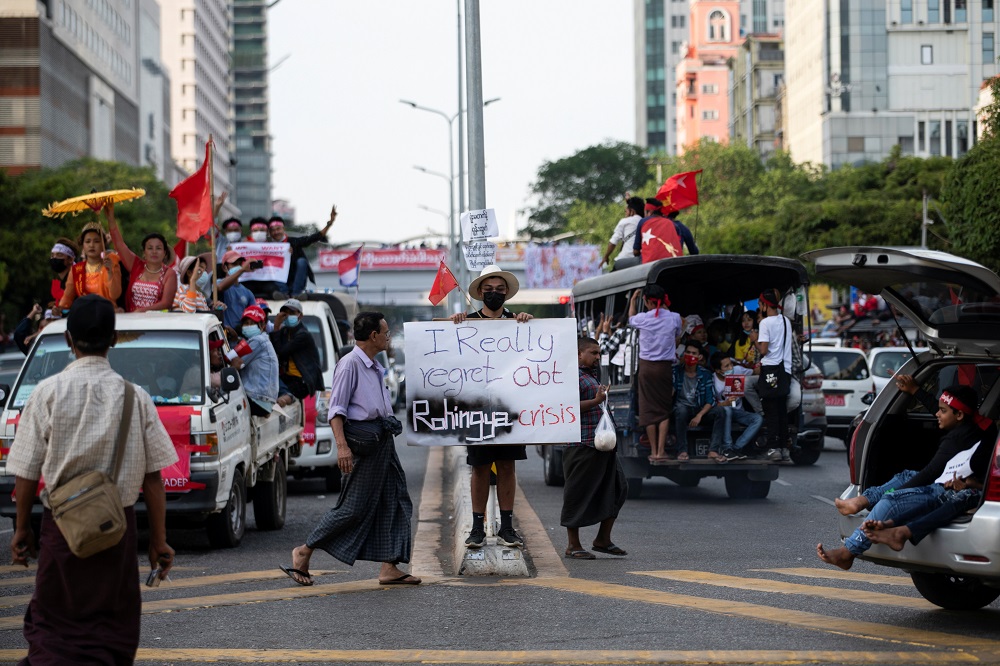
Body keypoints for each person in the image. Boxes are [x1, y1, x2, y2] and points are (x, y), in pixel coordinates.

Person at [7, 294, 177, 664]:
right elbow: (153, 480)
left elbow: (26, 472)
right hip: (118, 529)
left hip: (61, 529)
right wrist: (159, 542)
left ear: (69, 340)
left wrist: (22, 529)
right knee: (112, 627)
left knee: (54, 625)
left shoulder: (46, 393)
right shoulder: (137, 397)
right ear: (114, 340)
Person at [280, 311, 419, 587]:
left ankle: (390, 566)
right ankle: (303, 551)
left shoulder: (373, 363)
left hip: (382, 442)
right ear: (373, 336)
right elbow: (336, 411)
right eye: (386, 332)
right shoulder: (349, 365)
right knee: (353, 508)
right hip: (363, 445)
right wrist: (342, 448)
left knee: (397, 500)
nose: (389, 337)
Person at [817, 382, 991, 570]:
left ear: (959, 415)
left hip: (947, 487)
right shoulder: (968, 426)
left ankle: (848, 552)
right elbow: (942, 408)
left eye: (942, 411)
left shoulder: (956, 440)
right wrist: (916, 391)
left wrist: (897, 494)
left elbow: (929, 474)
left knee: (891, 499)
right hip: (948, 481)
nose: (937, 414)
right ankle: (863, 500)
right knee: (906, 475)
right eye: (939, 410)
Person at [450, 265, 533, 549]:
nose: (494, 294)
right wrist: (454, 325)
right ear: (480, 292)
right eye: (489, 290)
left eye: (499, 290)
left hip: (510, 409)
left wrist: (528, 322)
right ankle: (477, 528)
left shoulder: (519, 323)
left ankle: (507, 527)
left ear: (507, 293)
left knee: (507, 466)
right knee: (481, 467)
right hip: (478, 410)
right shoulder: (467, 322)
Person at [562, 337, 629, 559]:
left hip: (602, 444)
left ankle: (603, 539)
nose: (597, 357)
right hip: (581, 444)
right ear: (579, 354)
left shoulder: (591, 375)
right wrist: (596, 400)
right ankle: (573, 545)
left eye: (599, 354)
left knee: (618, 488)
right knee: (577, 492)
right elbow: (566, 406)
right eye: (593, 353)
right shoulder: (570, 376)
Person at [628, 284, 682, 463]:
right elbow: (677, 334)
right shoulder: (674, 318)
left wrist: (633, 301)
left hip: (646, 368)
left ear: (647, 301)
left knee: (648, 409)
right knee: (663, 410)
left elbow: (631, 319)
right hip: (665, 368)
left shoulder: (643, 318)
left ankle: (653, 451)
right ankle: (661, 452)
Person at [106, 203, 177, 313]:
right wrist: (110, 218)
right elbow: (120, 245)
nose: (154, 251)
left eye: (158, 248)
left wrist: (142, 311)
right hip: (133, 323)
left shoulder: (170, 274)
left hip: (157, 324)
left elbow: (166, 303)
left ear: (164, 253)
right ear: (144, 252)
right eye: (150, 248)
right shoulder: (136, 266)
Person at [268, 206, 337, 298]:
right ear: (270, 233)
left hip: (295, 281)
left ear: (283, 229)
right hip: (278, 286)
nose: (276, 232)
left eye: (278, 229)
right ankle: (283, 293)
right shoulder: (267, 247)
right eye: (273, 230)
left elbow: (313, 238)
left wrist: (329, 223)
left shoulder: (294, 242)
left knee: (302, 261)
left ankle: (296, 294)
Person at [756, 288, 793, 458]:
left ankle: (773, 448)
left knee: (770, 411)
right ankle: (784, 447)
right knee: (781, 410)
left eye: (760, 304)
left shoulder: (765, 323)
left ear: (764, 305)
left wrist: (754, 341)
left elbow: (763, 351)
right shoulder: (786, 321)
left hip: (770, 369)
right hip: (784, 371)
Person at [270, 298, 323, 407]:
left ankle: (288, 396)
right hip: (288, 377)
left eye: (292, 313)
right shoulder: (285, 332)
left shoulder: (303, 335)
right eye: (286, 313)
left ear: (300, 315)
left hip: (301, 380)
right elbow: (273, 349)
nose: (289, 316)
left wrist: (276, 326)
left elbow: (281, 351)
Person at [58, 221, 122, 311]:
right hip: (85, 315)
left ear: (103, 244)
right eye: (88, 241)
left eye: (96, 241)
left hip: (108, 313)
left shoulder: (111, 263)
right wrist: (59, 309)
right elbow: (67, 299)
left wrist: (110, 272)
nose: (91, 245)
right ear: (83, 245)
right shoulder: (76, 270)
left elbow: (115, 295)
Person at [709, 352, 761, 461]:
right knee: (727, 409)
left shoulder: (738, 370)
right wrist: (725, 403)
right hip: (723, 413)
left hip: (738, 412)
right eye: (726, 366)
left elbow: (754, 373)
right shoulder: (712, 380)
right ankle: (727, 448)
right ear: (718, 370)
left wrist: (760, 365)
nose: (730, 368)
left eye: (731, 364)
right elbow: (711, 404)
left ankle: (736, 448)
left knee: (758, 419)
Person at [671, 342, 719, 460]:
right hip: (682, 409)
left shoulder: (705, 374)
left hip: (699, 409)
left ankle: (713, 450)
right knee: (681, 410)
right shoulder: (676, 371)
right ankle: (682, 451)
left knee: (721, 412)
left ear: (699, 357)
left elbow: (710, 400)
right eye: (688, 352)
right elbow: (670, 394)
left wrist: (699, 415)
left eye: (694, 353)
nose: (690, 355)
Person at [232, 304, 279, 417]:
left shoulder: (258, 340)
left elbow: (236, 364)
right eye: (246, 323)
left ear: (262, 325)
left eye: (252, 323)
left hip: (257, 399)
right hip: (262, 400)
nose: (248, 326)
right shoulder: (260, 340)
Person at [217, 250, 258, 330]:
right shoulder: (218, 283)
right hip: (224, 334)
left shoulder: (247, 292)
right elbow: (220, 287)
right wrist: (242, 270)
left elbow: (252, 316)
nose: (238, 267)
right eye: (234, 264)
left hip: (240, 335)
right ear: (224, 267)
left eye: (240, 264)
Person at [632, 198, 683, 263]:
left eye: (645, 212)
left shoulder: (643, 222)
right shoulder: (674, 225)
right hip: (675, 263)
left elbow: (636, 251)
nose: (644, 216)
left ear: (650, 212)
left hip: (651, 266)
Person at [601, 196, 644, 271]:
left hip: (624, 260)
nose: (625, 213)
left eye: (626, 211)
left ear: (632, 211)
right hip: (641, 261)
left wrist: (606, 256)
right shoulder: (645, 222)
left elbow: (613, 242)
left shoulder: (625, 221)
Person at [48, 238, 79, 304]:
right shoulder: (59, 282)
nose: (54, 258)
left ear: (70, 259)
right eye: (52, 255)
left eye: (59, 255)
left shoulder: (76, 282)